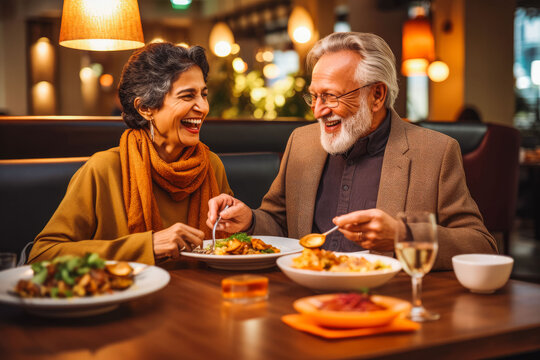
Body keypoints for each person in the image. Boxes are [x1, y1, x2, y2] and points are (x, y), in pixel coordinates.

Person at [207, 32, 497, 270]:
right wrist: (251, 220)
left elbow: (480, 243)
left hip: (385, 304)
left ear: (377, 95)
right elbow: (279, 222)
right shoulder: (302, 143)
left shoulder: (435, 152)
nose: (318, 110)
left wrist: (402, 237)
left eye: (331, 96)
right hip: (303, 297)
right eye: (315, 96)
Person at [29, 43, 232, 265]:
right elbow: (42, 255)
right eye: (187, 96)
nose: (203, 107)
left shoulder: (211, 165)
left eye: (203, 94)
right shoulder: (103, 169)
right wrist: (145, 247)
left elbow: (232, 247)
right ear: (145, 108)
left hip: (201, 295)